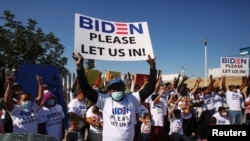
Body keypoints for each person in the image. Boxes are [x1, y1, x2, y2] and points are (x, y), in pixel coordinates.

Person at [73, 52, 157, 141]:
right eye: (114, 88)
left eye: (119, 88)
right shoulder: (104, 100)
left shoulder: (132, 99)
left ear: (124, 89)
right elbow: (86, 89)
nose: (116, 90)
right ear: (110, 91)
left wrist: (152, 66)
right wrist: (80, 67)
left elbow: (150, 88)